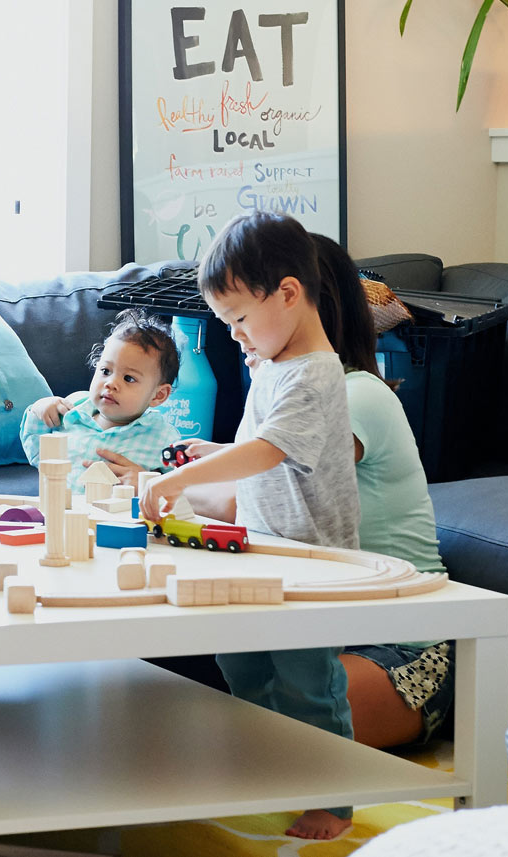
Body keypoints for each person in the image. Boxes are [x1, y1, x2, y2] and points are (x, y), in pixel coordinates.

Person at [183, 235, 456, 750]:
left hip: (405, 651)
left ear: (297, 303)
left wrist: (160, 486)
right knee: (217, 687)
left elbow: (250, 496)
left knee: (274, 728)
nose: (239, 336)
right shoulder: (289, 390)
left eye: (244, 318)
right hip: (326, 626)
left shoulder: (357, 395)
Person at [140, 211, 361, 841]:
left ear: (289, 294)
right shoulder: (273, 368)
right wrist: (206, 452)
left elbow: (267, 451)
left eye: (238, 319)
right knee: (243, 666)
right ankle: (271, 766)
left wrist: (174, 482)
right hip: (262, 552)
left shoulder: (315, 372)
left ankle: (333, 799)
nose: (233, 335)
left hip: (310, 564)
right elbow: (259, 448)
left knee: (308, 685)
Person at [19, 307, 181, 491]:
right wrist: (39, 409)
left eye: (129, 378)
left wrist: (148, 484)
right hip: (60, 512)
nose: (111, 383)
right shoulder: (72, 409)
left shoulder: (162, 437)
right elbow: (36, 452)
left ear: (158, 395)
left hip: (120, 518)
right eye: (105, 371)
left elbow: (182, 490)